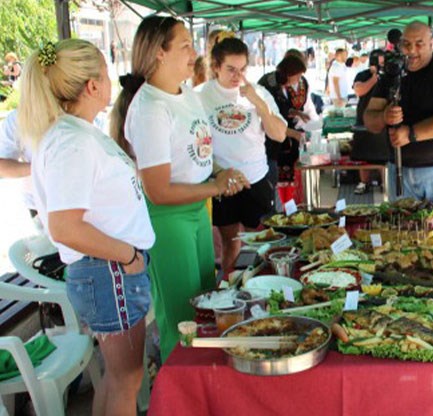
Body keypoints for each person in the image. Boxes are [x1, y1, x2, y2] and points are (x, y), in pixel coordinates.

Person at [18, 38, 154, 416]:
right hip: (109, 270)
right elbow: (64, 227)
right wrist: (127, 255)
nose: (111, 80)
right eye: (106, 74)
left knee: (117, 378)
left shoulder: (77, 133)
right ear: (92, 86)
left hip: (110, 270)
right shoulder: (70, 142)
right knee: (127, 381)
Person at [110, 16, 244, 362]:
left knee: (206, 304)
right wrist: (214, 186)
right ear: (158, 53)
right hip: (170, 219)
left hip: (197, 210)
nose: (194, 52)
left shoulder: (184, 94)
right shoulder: (150, 108)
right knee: (181, 320)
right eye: (184, 45)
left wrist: (220, 171)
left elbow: (198, 152)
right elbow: (158, 191)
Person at [364, 21, 433, 257]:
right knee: (404, 236)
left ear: (431, 43)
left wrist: (410, 134)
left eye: (419, 44)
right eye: (407, 44)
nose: (412, 51)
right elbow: (369, 119)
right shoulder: (392, 75)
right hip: (401, 170)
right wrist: (383, 115)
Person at [198, 38, 286, 273]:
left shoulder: (259, 93)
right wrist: (219, 174)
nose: (238, 76)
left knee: (267, 242)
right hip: (223, 182)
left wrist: (257, 102)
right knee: (231, 242)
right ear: (216, 66)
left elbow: (278, 134)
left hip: (256, 178)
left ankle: (269, 286)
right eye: (231, 69)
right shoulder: (200, 96)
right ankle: (228, 286)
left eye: (243, 69)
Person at [258, 53, 319, 194]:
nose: (298, 80)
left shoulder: (281, 84)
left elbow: (282, 109)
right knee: (272, 179)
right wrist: (295, 134)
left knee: (287, 177)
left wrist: (298, 113)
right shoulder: (269, 86)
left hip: (282, 140)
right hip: (269, 143)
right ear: (289, 72)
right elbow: (271, 118)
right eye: (297, 76)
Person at [351, 49, 389, 195]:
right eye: (377, 63)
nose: (380, 66)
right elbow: (359, 91)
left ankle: (384, 182)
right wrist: (374, 78)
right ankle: (363, 182)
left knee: (383, 155)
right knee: (363, 155)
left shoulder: (389, 76)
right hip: (363, 120)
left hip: (382, 119)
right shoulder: (363, 75)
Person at [0, 110, 35, 216]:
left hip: (83, 201)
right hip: (38, 203)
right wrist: (38, 169)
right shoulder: (18, 118)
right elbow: (3, 166)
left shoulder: (81, 106)